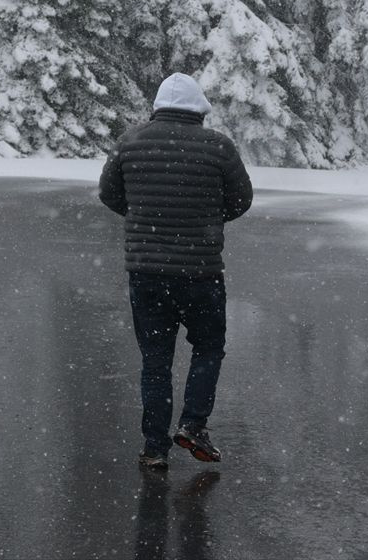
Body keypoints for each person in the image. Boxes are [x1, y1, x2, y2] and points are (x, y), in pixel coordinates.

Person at [98, 72, 253, 470]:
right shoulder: (218, 147)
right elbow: (241, 199)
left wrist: (144, 219)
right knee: (207, 347)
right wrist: (206, 219)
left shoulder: (130, 143)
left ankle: (154, 447)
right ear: (199, 109)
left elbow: (110, 195)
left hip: (146, 273)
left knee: (155, 359)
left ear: (158, 108)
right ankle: (193, 424)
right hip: (201, 272)